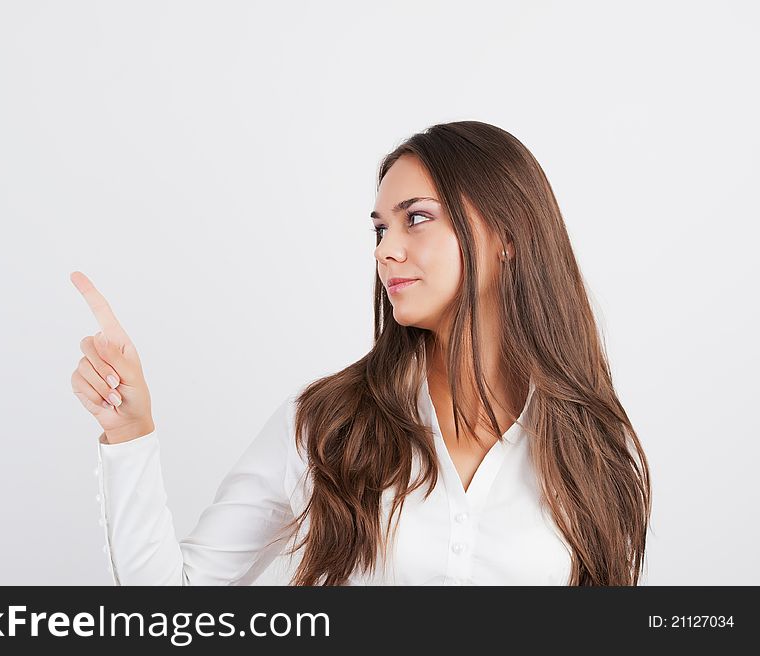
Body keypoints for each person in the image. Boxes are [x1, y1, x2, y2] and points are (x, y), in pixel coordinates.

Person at [70, 121, 651, 586]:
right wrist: (130, 431)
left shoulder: (591, 446)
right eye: (379, 230)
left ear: (507, 237)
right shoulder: (328, 424)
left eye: (416, 219)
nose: (386, 251)